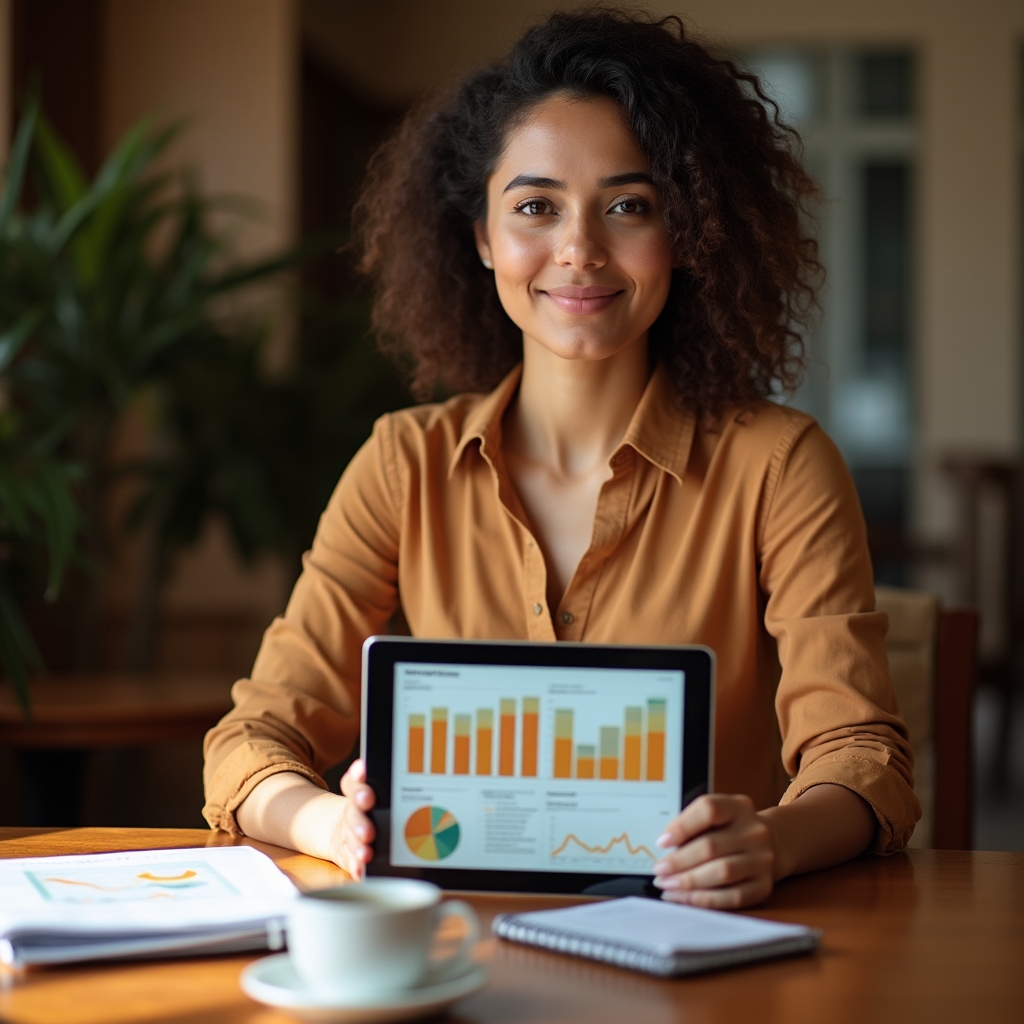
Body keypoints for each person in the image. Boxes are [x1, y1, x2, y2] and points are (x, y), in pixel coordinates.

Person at [203, 8, 919, 909]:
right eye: (535, 207)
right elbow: (251, 738)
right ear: (480, 237)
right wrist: (330, 824)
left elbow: (862, 758)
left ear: (688, 234)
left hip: (701, 952)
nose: (579, 250)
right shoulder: (402, 462)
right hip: (461, 950)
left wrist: (767, 841)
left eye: (629, 206)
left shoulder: (782, 465)